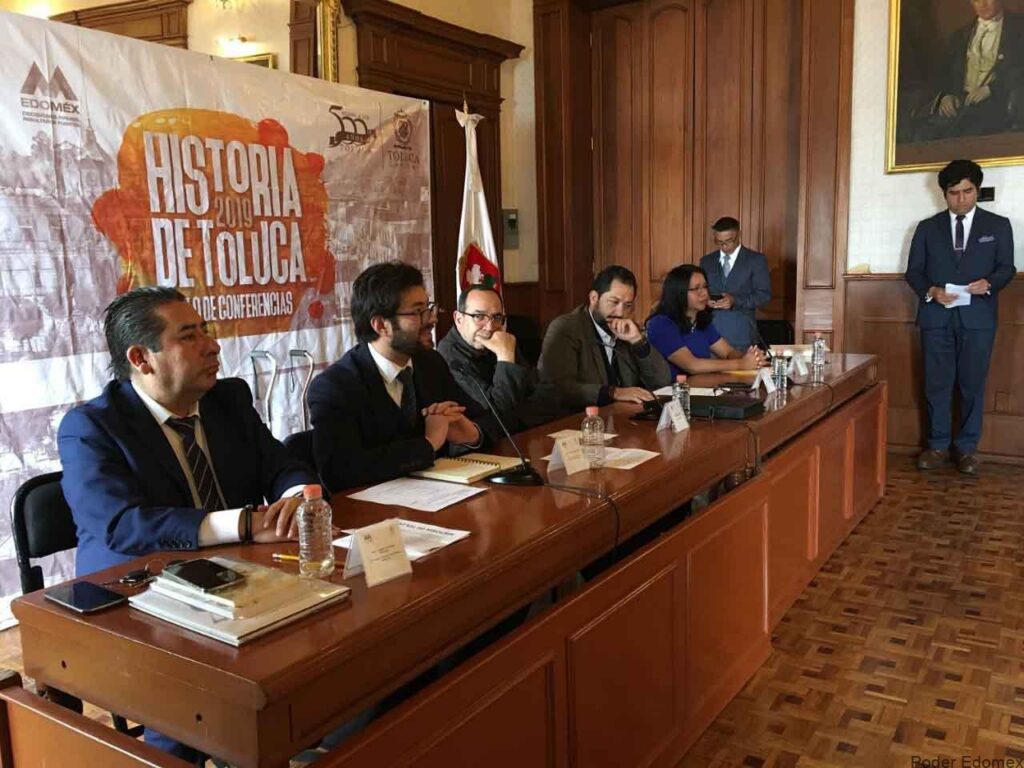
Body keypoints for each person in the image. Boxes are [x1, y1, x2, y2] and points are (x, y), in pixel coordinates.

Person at [57, 286, 316, 764]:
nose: (212, 346)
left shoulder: (227, 400)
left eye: (207, 331)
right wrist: (243, 524)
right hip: (140, 596)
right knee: (195, 711)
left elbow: (281, 465)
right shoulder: (91, 427)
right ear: (141, 358)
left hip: (239, 582)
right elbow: (121, 524)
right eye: (189, 336)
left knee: (311, 659)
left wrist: (298, 497)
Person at [309, 261, 491, 493]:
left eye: (428, 308)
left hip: (441, 499)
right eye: (417, 312)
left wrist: (472, 434)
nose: (431, 319)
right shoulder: (334, 387)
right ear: (380, 325)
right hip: (372, 510)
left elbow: (486, 420)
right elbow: (338, 471)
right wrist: (427, 444)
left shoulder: (431, 364)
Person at [905, 158, 1016, 474]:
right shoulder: (927, 228)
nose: (961, 199)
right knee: (936, 383)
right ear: (944, 194)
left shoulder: (998, 226)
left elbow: (1007, 268)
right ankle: (937, 446)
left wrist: (990, 283)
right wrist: (931, 290)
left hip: (978, 318)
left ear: (977, 190)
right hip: (936, 317)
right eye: (954, 193)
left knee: (972, 384)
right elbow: (913, 272)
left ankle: (967, 449)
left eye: (967, 191)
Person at [538, 265, 670, 410]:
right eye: (614, 302)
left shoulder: (625, 329)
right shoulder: (567, 328)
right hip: (578, 418)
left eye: (627, 305)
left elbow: (662, 381)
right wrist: (614, 393)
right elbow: (558, 388)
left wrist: (638, 342)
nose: (620, 313)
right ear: (594, 298)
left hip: (622, 415)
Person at [437, 285, 565, 431]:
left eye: (497, 317)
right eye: (479, 317)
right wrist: (505, 358)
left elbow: (548, 395)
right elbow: (498, 414)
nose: (490, 327)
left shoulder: (501, 340)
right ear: (459, 319)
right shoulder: (449, 356)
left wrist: (515, 415)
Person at [919, 0, 1024, 138]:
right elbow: (945, 73)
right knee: (925, 134)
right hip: (962, 103)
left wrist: (991, 89)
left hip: (998, 103)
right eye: (976, 0)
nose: (982, 4)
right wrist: (946, 95)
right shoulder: (960, 35)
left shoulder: (1019, 28)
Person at [647, 264, 766, 379]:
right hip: (675, 390)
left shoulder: (700, 320)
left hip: (702, 386)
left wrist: (751, 358)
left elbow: (728, 352)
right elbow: (692, 365)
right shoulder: (661, 323)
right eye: (696, 289)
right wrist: (740, 364)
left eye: (705, 287)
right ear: (679, 292)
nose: (704, 293)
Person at [698, 217, 772, 349]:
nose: (724, 246)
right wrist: (705, 300)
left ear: (738, 235)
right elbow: (699, 291)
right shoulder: (706, 261)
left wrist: (735, 300)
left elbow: (764, 296)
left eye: (728, 241)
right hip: (711, 333)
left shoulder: (756, 260)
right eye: (719, 242)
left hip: (742, 332)